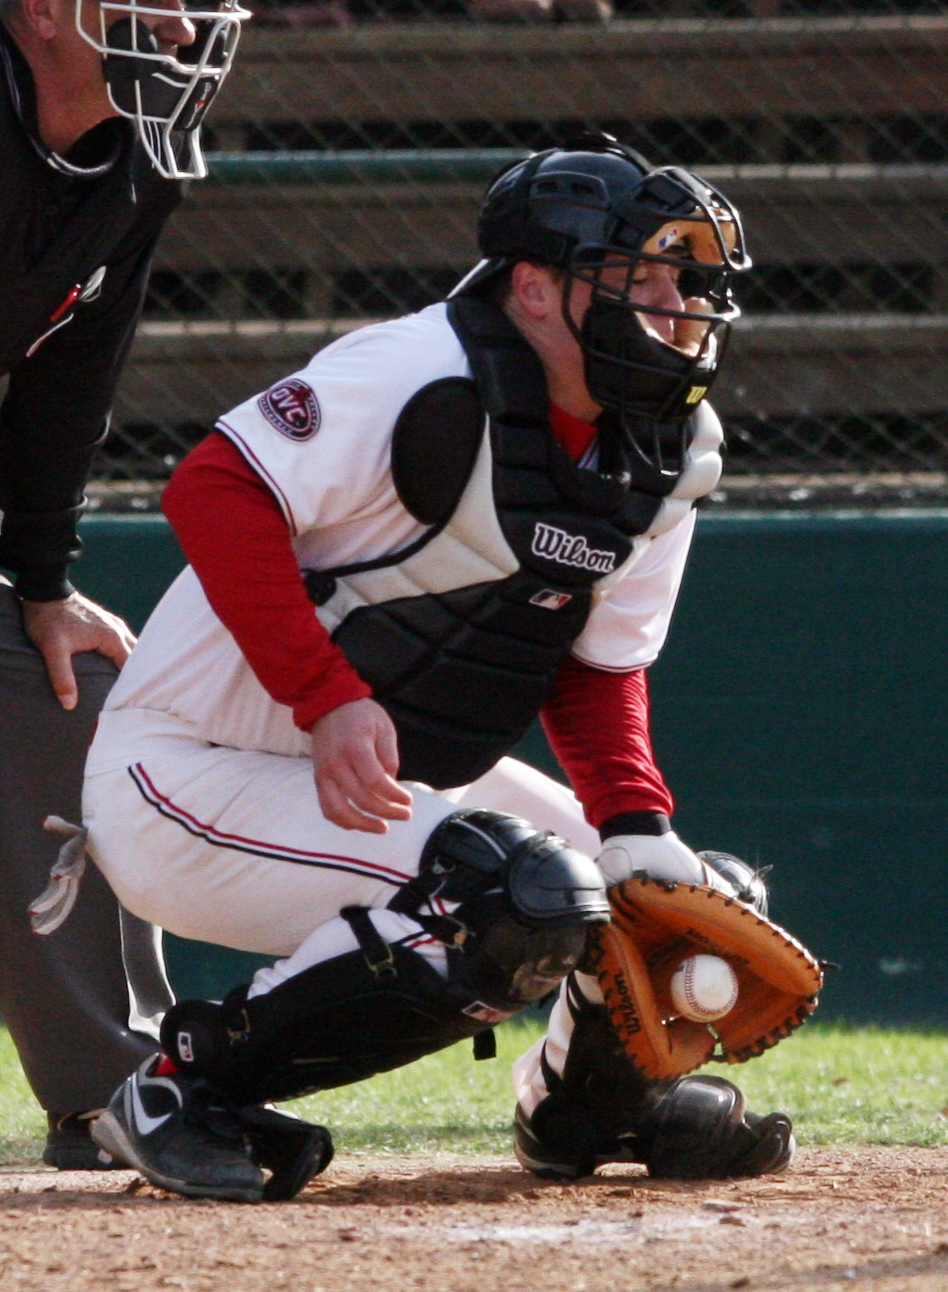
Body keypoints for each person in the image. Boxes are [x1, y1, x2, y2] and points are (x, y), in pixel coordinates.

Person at [78, 133, 796, 1202]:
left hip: (378, 789)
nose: (672, 306)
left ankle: (585, 1105)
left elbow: (597, 662)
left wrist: (635, 819)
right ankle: (186, 1088)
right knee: (520, 893)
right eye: (636, 279)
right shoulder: (418, 370)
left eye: (679, 282)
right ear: (538, 290)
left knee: (664, 894)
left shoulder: (670, 447)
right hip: (183, 775)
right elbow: (214, 488)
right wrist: (325, 698)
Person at [0, 0, 247, 1168]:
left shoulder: (134, 163)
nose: (184, 34)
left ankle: (115, 1086)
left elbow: (67, 381)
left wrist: (43, 584)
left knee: (63, 691)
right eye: (147, 4)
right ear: (43, 11)